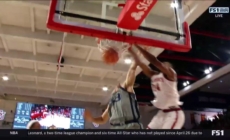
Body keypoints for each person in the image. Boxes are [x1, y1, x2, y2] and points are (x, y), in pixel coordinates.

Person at [128, 44, 185, 129]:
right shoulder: (154, 75)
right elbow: (140, 63)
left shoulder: (172, 75)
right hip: (162, 113)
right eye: (163, 64)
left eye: (166, 65)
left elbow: (154, 61)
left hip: (173, 113)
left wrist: (137, 45)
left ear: (170, 68)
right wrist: (130, 50)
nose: (164, 65)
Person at [84, 61, 143, 129]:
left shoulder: (127, 91)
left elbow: (132, 70)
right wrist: (92, 119)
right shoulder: (111, 102)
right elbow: (102, 119)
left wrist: (135, 61)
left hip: (131, 126)